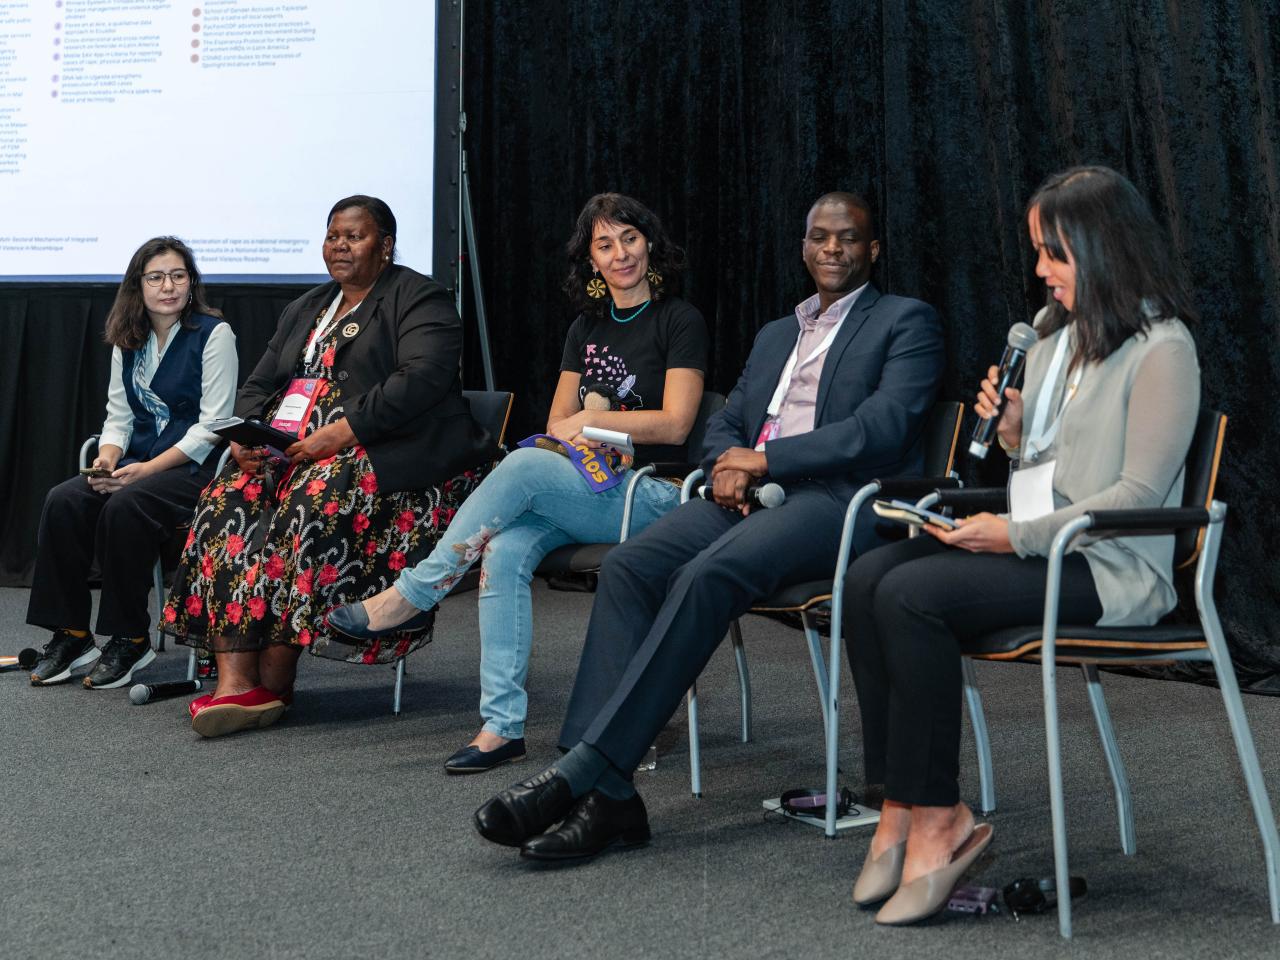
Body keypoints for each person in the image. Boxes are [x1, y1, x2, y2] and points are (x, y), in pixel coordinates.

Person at [472, 191, 945, 858]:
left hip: (838, 503)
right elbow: (729, 414)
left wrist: (766, 457)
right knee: (632, 566)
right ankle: (609, 792)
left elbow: (882, 427)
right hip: (748, 494)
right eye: (819, 237)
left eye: (849, 238)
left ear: (874, 250)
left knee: (707, 573)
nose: (832, 249)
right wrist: (729, 458)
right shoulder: (779, 333)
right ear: (804, 248)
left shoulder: (905, 321)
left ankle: (583, 774)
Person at [843, 166, 1200, 926]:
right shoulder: (1050, 341)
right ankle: (902, 799)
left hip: (1111, 568)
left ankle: (940, 815)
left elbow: (1136, 496)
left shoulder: (1163, 349)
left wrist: (1013, 533)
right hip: (1043, 545)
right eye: (1038, 252)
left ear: (1103, 251)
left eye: (1054, 254)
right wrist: (1009, 434)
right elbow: (1041, 477)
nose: (1039, 271)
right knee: (871, 574)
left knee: (913, 595)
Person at [329, 193, 708, 773]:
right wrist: (580, 426)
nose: (620, 254)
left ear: (649, 244)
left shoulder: (678, 320)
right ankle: (501, 727)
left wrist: (592, 420)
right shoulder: (586, 327)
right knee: (503, 549)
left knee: (525, 465)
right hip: (582, 487)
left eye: (629, 239)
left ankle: (415, 592)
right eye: (604, 245)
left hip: (653, 494)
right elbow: (558, 422)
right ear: (592, 261)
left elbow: (676, 422)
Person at [162, 195, 492, 738]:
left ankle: (276, 674)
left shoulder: (421, 299)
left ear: (384, 247)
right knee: (226, 500)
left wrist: (339, 434)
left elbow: (422, 380)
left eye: (354, 236)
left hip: (390, 460)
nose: (340, 246)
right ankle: (236, 682)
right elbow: (260, 383)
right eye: (333, 235)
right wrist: (244, 435)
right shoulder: (307, 306)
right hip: (294, 454)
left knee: (312, 497)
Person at [27, 237, 237, 690]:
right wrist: (106, 461)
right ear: (137, 285)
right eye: (157, 277)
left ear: (191, 282)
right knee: (63, 500)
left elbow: (213, 427)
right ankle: (73, 634)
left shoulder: (213, 334)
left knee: (128, 506)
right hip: (137, 463)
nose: (169, 286)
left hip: (193, 469)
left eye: (178, 276)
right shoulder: (129, 339)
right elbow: (118, 418)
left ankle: (130, 636)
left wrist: (145, 470)